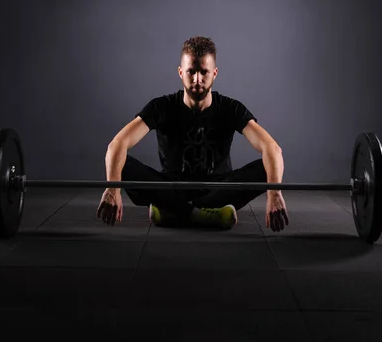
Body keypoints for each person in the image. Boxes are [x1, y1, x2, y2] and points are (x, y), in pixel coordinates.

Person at [96, 36, 289, 232]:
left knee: (267, 167)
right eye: (191, 72)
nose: (197, 79)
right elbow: (117, 144)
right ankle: (204, 215)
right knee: (123, 164)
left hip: (219, 191)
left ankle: (174, 213)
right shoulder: (162, 106)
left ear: (214, 73)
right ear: (181, 73)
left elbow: (272, 148)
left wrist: (274, 194)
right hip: (171, 189)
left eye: (204, 72)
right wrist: (113, 189)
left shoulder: (231, 108)